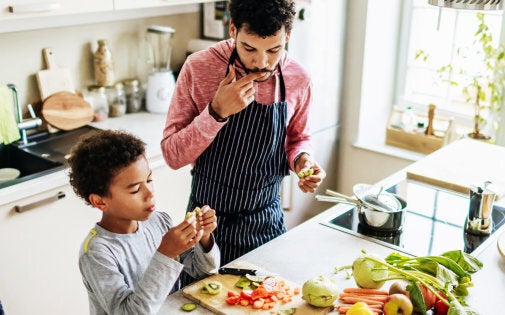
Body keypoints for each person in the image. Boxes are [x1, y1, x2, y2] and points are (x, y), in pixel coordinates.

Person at [161, 0, 326, 264]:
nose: (261, 63)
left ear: (288, 35)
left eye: (274, 50)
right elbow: (172, 155)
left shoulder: (298, 77)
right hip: (205, 226)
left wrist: (302, 160)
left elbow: (298, 138)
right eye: (249, 48)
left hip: (266, 222)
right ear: (233, 30)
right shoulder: (199, 67)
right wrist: (216, 113)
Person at [68, 130, 220, 314]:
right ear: (100, 201)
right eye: (135, 190)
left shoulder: (159, 222)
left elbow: (203, 271)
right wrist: (165, 254)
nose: (150, 194)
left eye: (149, 180)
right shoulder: (97, 253)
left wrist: (204, 238)